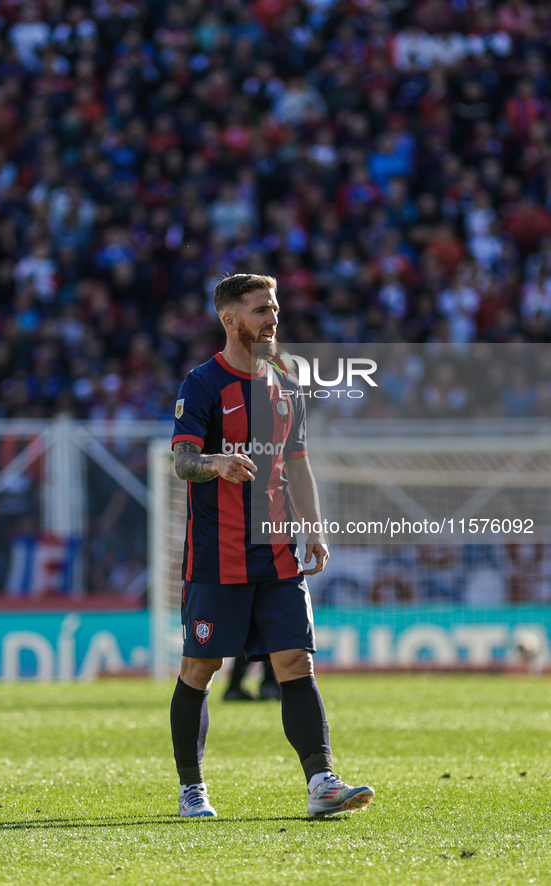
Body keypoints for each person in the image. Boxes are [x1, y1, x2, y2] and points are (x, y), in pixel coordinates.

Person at [170, 272, 375, 818]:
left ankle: (322, 782)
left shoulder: (286, 379)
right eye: (261, 310)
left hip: (279, 549)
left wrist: (314, 524)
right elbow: (182, 460)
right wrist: (213, 462)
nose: (273, 318)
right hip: (217, 554)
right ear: (230, 319)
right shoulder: (202, 384)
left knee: (295, 661)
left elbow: (298, 461)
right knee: (200, 668)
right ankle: (192, 787)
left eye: (275, 307)